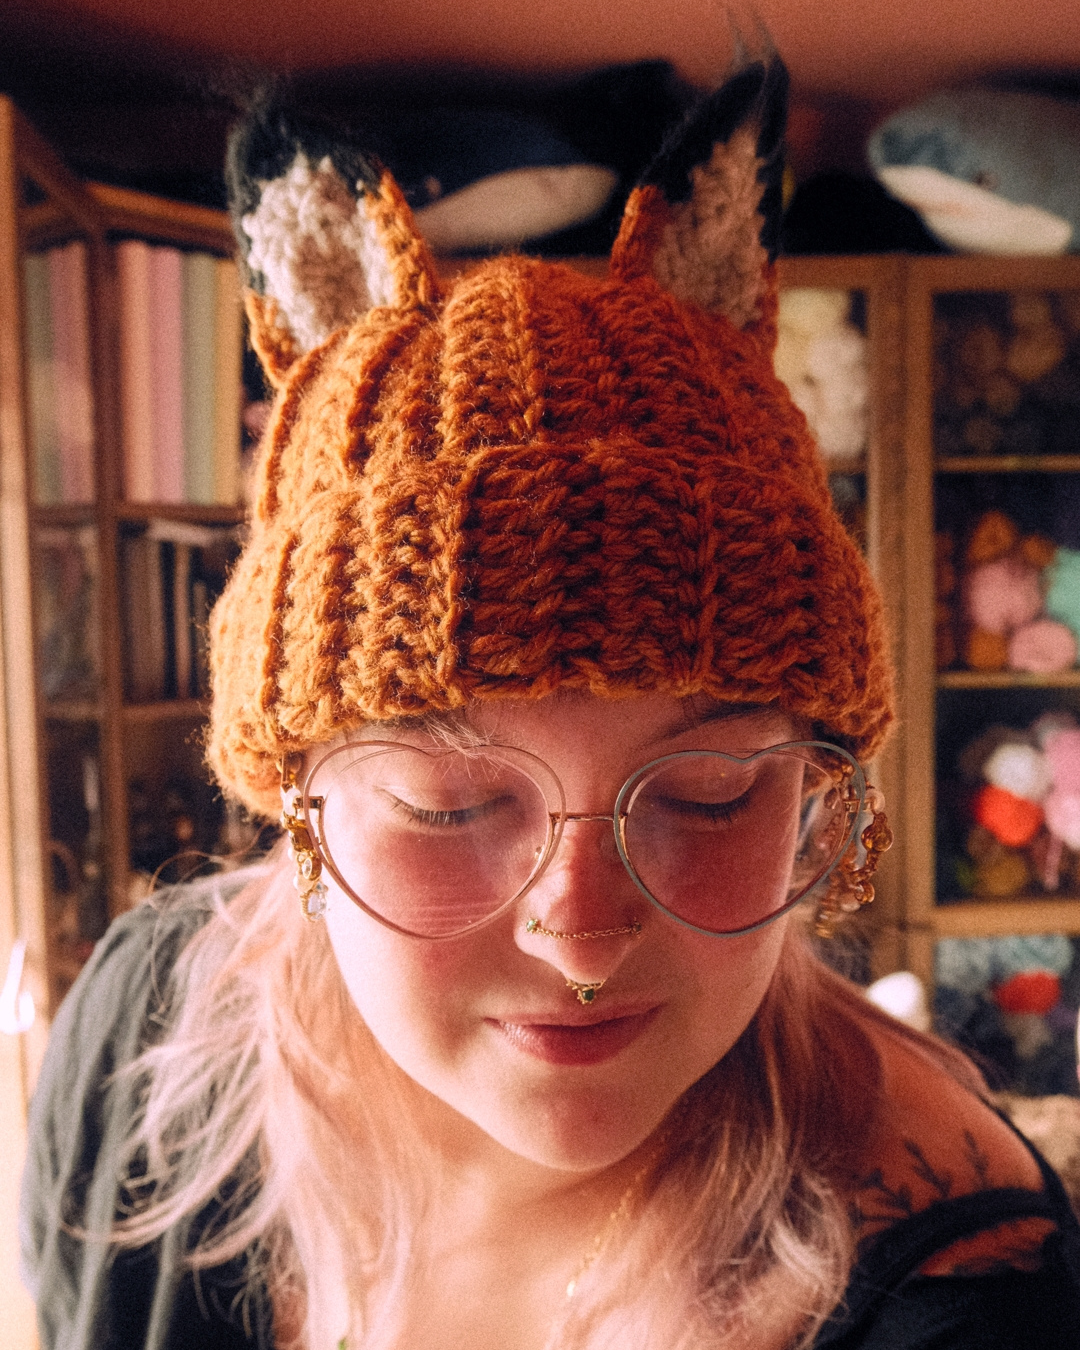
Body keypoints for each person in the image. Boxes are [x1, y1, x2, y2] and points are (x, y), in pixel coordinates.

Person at [22, 57, 1080, 1350]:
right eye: (447, 802)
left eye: (709, 792)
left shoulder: (959, 1284)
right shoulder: (144, 1028)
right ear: (300, 801)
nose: (581, 938)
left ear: (815, 791)